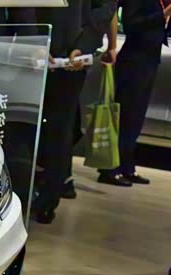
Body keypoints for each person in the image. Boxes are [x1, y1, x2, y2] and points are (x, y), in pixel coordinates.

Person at [23, 0, 118, 224]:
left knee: (59, 127)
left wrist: (85, 45)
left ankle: (48, 197)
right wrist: (33, 41)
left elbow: (105, 7)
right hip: (31, 52)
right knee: (24, 124)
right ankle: (24, 190)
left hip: (71, 57)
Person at [98, 0, 171, 187]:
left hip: (150, 59)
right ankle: (109, 168)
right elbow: (132, 24)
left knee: (135, 118)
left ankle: (126, 166)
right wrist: (162, 15)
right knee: (125, 116)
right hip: (134, 60)